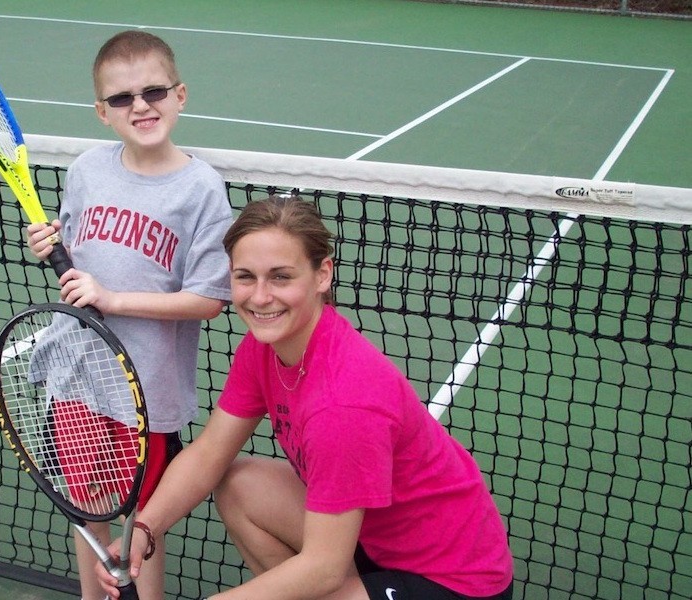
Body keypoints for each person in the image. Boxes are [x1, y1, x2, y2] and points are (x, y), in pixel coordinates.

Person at [96, 196, 514, 600]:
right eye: (245, 276)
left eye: (281, 276)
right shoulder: (265, 347)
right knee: (241, 484)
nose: (260, 297)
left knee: (307, 581)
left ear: (322, 275)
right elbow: (209, 454)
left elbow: (324, 568)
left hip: (450, 580)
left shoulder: (343, 404)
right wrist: (145, 530)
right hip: (369, 539)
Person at [26, 30, 232, 600]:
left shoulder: (202, 190)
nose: (140, 106)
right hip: (79, 377)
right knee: (87, 506)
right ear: (102, 112)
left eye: (154, 91)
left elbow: (209, 299)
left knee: (145, 519)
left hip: (148, 389)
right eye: (122, 99)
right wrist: (48, 242)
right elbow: (75, 251)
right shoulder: (88, 169)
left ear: (180, 94)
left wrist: (114, 300)